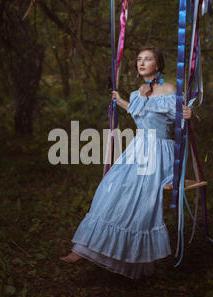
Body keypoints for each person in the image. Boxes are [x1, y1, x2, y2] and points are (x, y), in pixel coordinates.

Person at [60, 45, 192, 279]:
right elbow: (137, 111)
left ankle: (130, 253)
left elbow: (181, 118)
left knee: (137, 193)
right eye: (139, 59)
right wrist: (119, 100)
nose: (141, 63)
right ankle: (84, 248)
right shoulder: (138, 92)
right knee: (110, 187)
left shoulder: (170, 89)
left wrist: (189, 114)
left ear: (158, 65)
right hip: (138, 147)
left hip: (159, 150)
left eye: (148, 59)